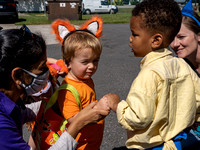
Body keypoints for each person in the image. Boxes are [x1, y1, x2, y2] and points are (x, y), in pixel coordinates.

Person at [99, 0, 200, 149]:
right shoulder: (183, 66)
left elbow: (137, 117)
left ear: (156, 40)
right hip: (180, 144)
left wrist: (115, 104)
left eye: (135, 34)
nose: (130, 38)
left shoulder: (149, 74)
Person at [0, 25, 109, 150]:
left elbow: (24, 113)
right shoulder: (2, 127)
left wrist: (55, 104)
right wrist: (78, 123)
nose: (49, 72)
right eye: (42, 67)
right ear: (18, 75)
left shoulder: (9, 102)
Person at [31, 16, 109, 150]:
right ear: (68, 63)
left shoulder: (84, 78)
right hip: (79, 146)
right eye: (85, 62)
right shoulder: (67, 92)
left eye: (95, 60)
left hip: (90, 142)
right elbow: (75, 121)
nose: (91, 66)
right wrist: (103, 107)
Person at [170, 0, 200, 149]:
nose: (174, 44)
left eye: (181, 37)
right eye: (172, 38)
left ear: (198, 36)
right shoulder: (177, 67)